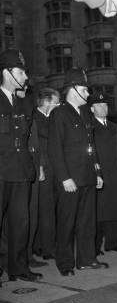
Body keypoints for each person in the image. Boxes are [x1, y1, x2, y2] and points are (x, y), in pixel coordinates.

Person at [48, 68, 107, 276]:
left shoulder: (84, 113)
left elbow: (91, 146)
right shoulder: (59, 113)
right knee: (67, 222)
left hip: (88, 176)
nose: (88, 93)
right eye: (85, 89)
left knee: (87, 221)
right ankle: (65, 263)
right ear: (73, 89)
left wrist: (97, 172)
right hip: (70, 179)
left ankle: (86, 259)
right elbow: (55, 148)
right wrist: (64, 177)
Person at [0, 49, 42, 284]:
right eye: (20, 71)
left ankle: (18, 267)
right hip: (1, 171)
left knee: (21, 222)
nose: (25, 76)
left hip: (20, 171)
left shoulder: (22, 102)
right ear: (6, 72)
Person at [88, 93, 117, 255]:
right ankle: (95, 246)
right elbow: (90, 152)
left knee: (115, 210)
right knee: (99, 213)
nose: (103, 108)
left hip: (116, 173)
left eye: (105, 105)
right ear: (92, 109)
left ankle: (113, 243)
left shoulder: (114, 126)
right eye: (99, 105)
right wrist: (96, 171)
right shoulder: (89, 127)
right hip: (100, 174)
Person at [33, 88, 60, 260]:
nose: (58, 105)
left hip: (54, 170)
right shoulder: (34, 118)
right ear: (47, 101)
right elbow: (39, 145)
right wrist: (41, 166)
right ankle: (46, 248)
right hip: (42, 171)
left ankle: (44, 245)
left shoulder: (50, 119)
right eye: (56, 102)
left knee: (50, 209)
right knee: (45, 210)